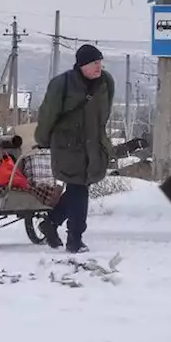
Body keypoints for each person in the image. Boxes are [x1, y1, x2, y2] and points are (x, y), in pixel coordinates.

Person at [33, 44, 115, 253]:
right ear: (82, 66)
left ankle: (50, 222)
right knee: (79, 189)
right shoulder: (62, 84)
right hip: (68, 146)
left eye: (100, 62)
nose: (99, 66)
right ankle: (75, 240)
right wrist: (42, 140)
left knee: (80, 189)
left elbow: (103, 115)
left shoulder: (106, 82)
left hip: (93, 146)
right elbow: (48, 114)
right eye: (94, 63)